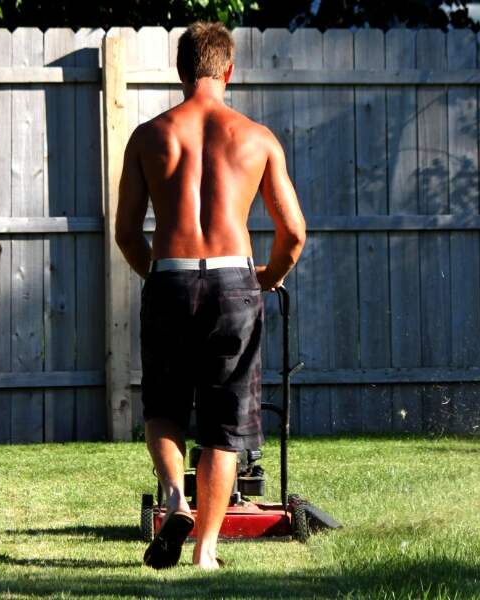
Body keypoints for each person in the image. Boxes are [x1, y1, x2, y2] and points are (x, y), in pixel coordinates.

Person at [114, 21, 306, 570]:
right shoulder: (257, 138)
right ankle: (205, 551)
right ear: (229, 70)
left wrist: (156, 273)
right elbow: (293, 233)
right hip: (232, 281)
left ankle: (175, 497)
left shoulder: (149, 136)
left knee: (164, 406)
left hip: (170, 276)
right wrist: (266, 277)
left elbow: (127, 232)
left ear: (180, 73)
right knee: (225, 423)